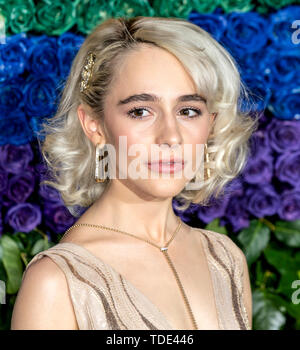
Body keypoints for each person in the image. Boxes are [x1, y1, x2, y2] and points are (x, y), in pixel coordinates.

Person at [11, 16, 258, 330]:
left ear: (210, 121)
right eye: (141, 111)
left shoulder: (226, 259)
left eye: (188, 110)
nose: (171, 136)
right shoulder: (56, 283)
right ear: (95, 125)